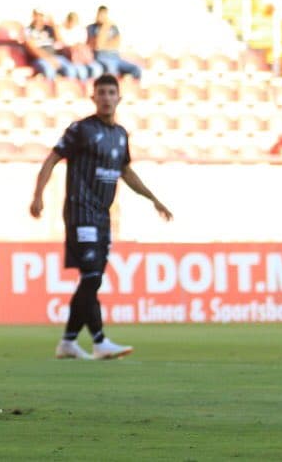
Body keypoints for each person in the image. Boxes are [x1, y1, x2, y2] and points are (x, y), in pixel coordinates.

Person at [31, 74, 172, 360]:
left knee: (92, 278)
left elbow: (126, 172)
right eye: (102, 93)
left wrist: (154, 199)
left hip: (103, 217)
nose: (107, 97)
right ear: (93, 98)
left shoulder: (120, 135)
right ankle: (95, 340)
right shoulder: (81, 129)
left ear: (119, 98)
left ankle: (72, 341)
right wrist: (38, 195)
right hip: (80, 212)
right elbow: (52, 158)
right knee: (93, 276)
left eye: (111, 92)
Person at [87, 6, 142, 79]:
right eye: (100, 14)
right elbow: (98, 45)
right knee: (111, 73)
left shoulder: (113, 27)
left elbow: (117, 44)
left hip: (116, 57)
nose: (102, 17)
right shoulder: (91, 27)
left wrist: (105, 45)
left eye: (104, 14)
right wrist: (105, 27)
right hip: (103, 58)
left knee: (136, 69)